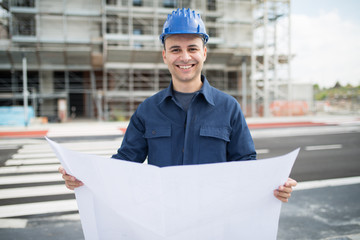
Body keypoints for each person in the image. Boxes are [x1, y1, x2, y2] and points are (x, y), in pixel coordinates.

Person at [59, 8, 297, 202]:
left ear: (204, 52)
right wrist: (84, 176)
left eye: (192, 48)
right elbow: (125, 163)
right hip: (164, 221)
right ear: (165, 55)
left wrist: (275, 187)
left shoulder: (229, 108)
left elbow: (246, 167)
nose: (185, 57)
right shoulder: (148, 111)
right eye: (175, 49)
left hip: (215, 220)